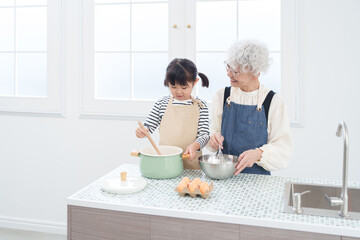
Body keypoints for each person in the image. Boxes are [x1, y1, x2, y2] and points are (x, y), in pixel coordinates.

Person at [208, 39, 293, 175]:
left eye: (236, 72)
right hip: (223, 175)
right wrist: (212, 138)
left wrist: (259, 154)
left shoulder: (273, 102)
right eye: (228, 67)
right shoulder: (222, 96)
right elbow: (214, 129)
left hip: (258, 180)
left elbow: (283, 148)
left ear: (255, 73)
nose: (229, 74)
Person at [136, 58, 210, 169]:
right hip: (166, 164)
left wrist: (195, 146)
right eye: (173, 87)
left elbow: (204, 135)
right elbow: (148, 127)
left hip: (191, 164)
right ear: (167, 83)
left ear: (195, 82)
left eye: (184, 87)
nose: (178, 91)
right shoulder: (162, 104)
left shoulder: (201, 106)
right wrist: (142, 132)